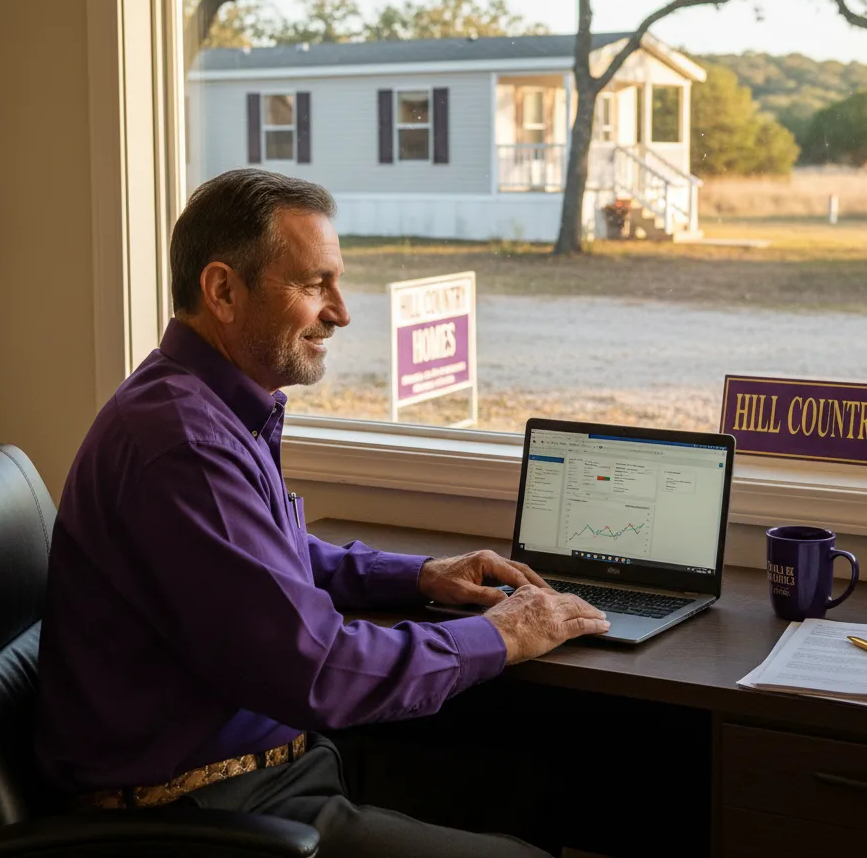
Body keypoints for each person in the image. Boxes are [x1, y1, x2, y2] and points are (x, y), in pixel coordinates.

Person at [35, 168, 609, 857]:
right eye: (313, 286)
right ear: (222, 290)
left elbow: (267, 557)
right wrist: (501, 635)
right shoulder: (183, 443)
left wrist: (421, 576)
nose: (340, 312)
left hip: (277, 765)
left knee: (561, 787)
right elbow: (319, 671)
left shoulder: (207, 405)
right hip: (203, 808)